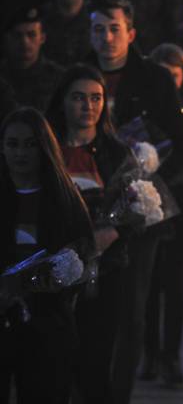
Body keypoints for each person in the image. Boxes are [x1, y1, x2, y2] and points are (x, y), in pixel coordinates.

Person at [86, 0, 183, 404]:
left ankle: (119, 393)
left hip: (136, 208)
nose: (107, 38)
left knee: (132, 308)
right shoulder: (78, 74)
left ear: (131, 33)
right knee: (89, 310)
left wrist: (147, 179)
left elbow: (180, 144)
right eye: (98, 28)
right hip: (87, 205)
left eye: (115, 29)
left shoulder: (154, 79)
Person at [45, 64, 137, 403]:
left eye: (96, 98)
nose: (88, 106)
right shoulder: (47, 150)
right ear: (63, 101)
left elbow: (135, 207)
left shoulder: (117, 153)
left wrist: (113, 231)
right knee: (54, 366)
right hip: (52, 271)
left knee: (95, 364)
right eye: (79, 98)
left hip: (104, 273)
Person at [0, 107, 93, 404]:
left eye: (30, 144)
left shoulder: (63, 198)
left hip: (49, 323)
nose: (20, 153)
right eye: (12, 144)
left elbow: (83, 254)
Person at [143, 44, 183, 385]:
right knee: (151, 282)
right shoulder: (146, 112)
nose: (170, 80)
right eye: (164, 74)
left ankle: (171, 356)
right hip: (150, 201)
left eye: (176, 73)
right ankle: (150, 354)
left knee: (175, 280)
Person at [0, 5, 64, 112]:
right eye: (17, 35)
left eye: (31, 35)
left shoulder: (59, 78)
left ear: (42, 38)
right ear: (7, 38)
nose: (25, 42)